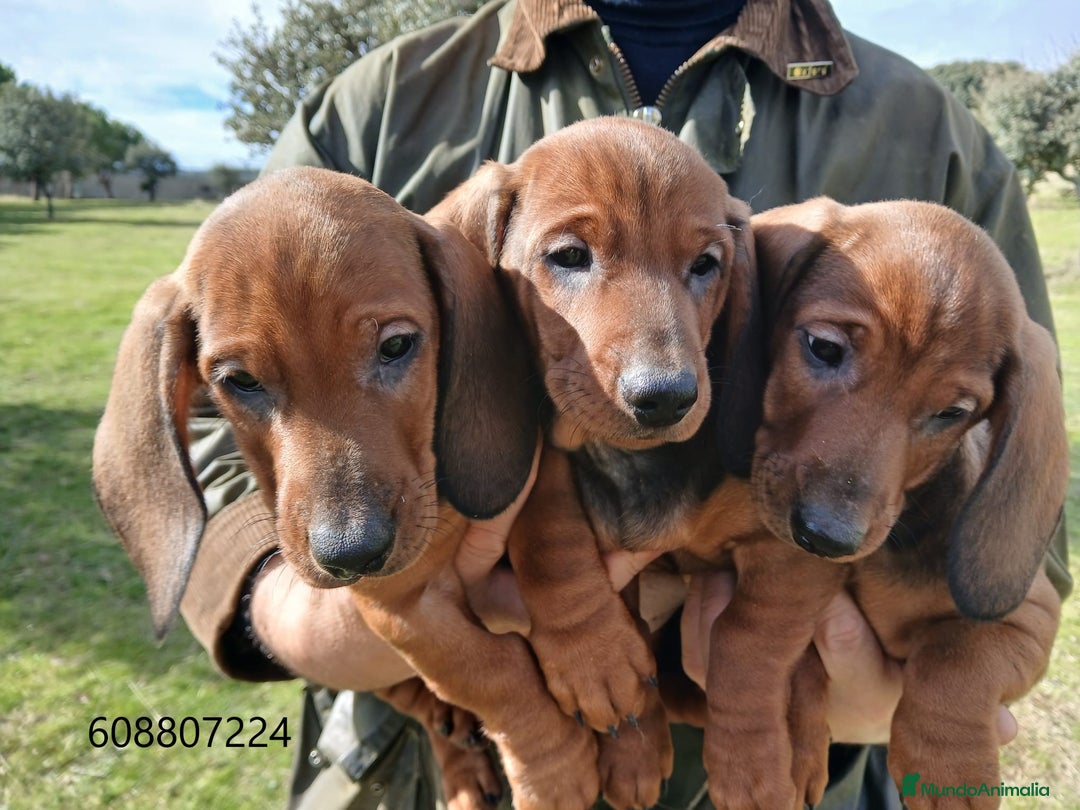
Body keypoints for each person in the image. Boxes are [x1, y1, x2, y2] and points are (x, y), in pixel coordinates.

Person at [174, 0, 1071, 807]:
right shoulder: (379, 105)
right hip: (413, 765)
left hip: (813, 773)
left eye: (706, 268)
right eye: (567, 257)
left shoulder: (931, 133)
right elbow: (219, 412)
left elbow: (1011, 519)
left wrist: (842, 686)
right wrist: (327, 613)